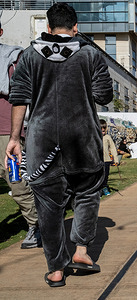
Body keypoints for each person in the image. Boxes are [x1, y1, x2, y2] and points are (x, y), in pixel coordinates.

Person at [5, 3, 113, 287]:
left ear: (49, 27)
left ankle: (55, 270)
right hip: (83, 140)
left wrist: (15, 139)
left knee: (48, 207)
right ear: (75, 27)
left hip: (42, 142)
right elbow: (103, 95)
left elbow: (19, 98)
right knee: (88, 193)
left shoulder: (28, 56)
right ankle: (80, 251)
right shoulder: (90, 54)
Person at [0, 16, 41, 249]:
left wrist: (18, 134)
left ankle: (35, 225)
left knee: (17, 182)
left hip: (7, 132)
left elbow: (25, 95)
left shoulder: (14, 58)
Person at [100, 119, 119, 196]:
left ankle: (104, 187)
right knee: (98, 177)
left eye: (104, 129)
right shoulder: (94, 137)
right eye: (101, 129)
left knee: (105, 176)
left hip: (106, 160)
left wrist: (116, 159)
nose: (103, 131)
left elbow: (112, 148)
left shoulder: (107, 137)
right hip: (97, 161)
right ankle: (98, 191)